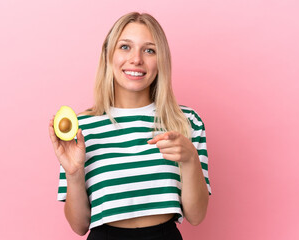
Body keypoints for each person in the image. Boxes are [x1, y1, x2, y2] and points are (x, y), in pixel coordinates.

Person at [49, 12, 211, 240]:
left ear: (161, 59)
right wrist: (74, 174)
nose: (136, 59)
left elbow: (196, 216)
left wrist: (190, 159)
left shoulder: (186, 121)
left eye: (149, 50)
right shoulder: (81, 127)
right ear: (108, 55)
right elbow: (79, 226)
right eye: (125, 47)